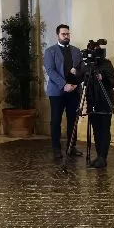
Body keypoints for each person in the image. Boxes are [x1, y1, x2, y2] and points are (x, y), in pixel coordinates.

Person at [44, 23, 83, 160]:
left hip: (74, 91)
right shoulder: (50, 51)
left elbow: (81, 69)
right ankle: (56, 148)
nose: (66, 36)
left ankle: (71, 147)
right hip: (57, 92)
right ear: (58, 35)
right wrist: (64, 85)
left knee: (73, 120)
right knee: (56, 121)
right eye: (63, 34)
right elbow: (50, 70)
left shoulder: (76, 51)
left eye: (68, 34)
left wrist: (76, 83)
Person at [82, 42, 114, 169]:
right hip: (92, 101)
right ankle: (99, 156)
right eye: (91, 51)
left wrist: (103, 77)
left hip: (105, 101)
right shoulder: (88, 65)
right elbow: (81, 79)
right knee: (96, 130)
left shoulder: (106, 64)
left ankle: (103, 157)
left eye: (96, 51)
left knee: (104, 130)